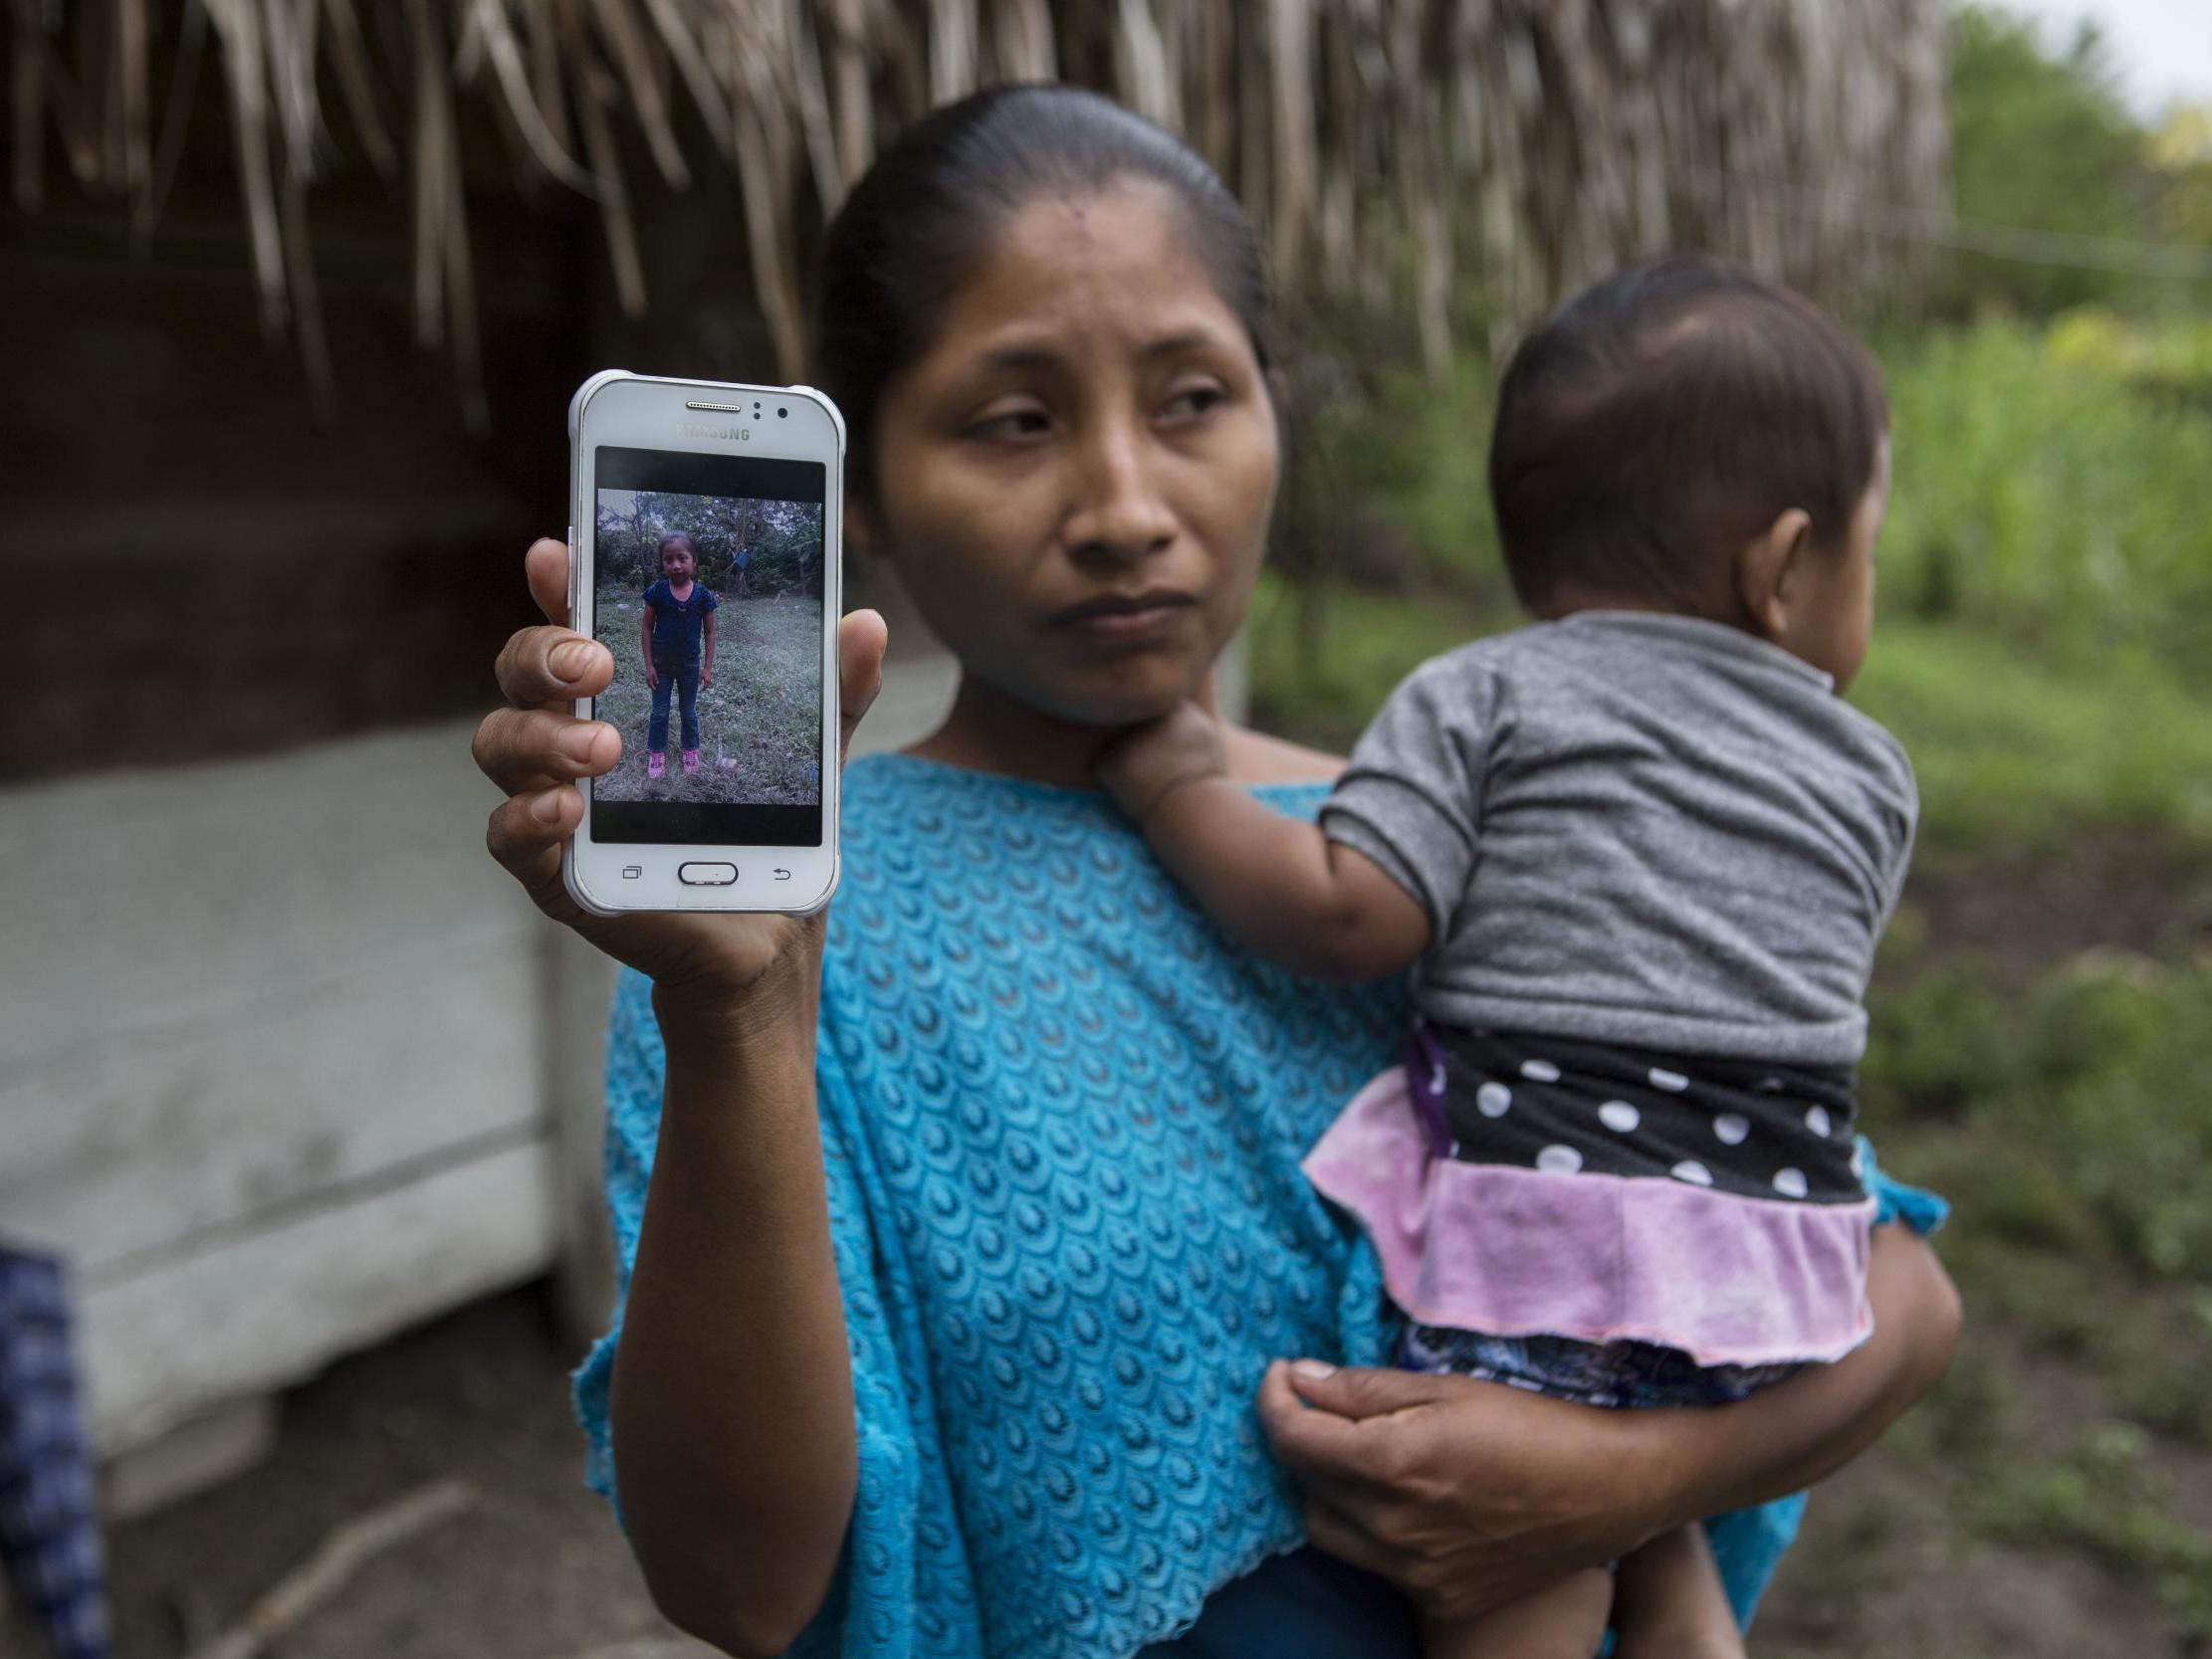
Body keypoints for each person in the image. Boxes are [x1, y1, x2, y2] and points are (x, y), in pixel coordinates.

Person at [472, 88, 1960, 1659]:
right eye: (1014, 419)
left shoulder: (1442, 837)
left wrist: (1620, 1480)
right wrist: (745, 1016)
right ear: (869, 499)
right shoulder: (782, 937)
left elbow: (1899, 1288)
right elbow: (735, 1581)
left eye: (1190, 398)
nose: (1125, 509)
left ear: (1272, 416)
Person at [1096, 257, 1933, 1658]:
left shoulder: (1484, 690)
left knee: (1520, 1588)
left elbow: (1354, 913)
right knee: (1657, 1517)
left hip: (1552, 1249)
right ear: (1783, 568)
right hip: (1772, 1273)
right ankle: (1676, 1598)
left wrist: (1175, 787)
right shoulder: (1872, 775)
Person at [639, 531, 718, 779]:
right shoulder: (656, 592)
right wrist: (649, 665)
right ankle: (656, 754)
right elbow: (646, 628)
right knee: (659, 711)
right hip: (661, 665)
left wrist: (706, 668)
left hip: (688, 665)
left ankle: (690, 751)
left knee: (688, 710)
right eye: (668, 559)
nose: (675, 565)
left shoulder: (703, 596)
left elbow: (710, 632)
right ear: (662, 563)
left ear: (693, 561)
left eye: (682, 558)